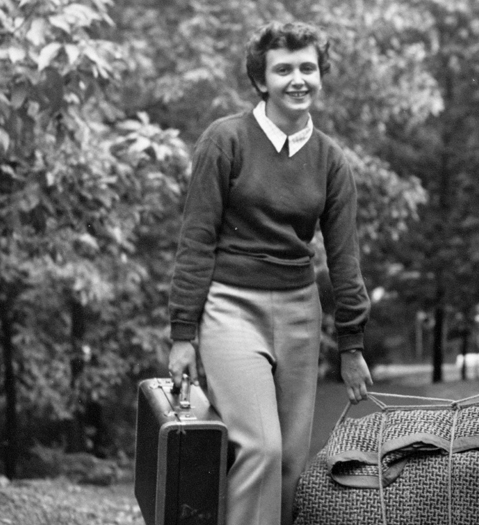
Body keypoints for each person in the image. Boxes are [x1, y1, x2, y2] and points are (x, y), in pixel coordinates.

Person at [166, 21, 372, 525]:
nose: (297, 78)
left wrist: (351, 345)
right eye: (283, 69)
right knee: (260, 448)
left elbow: (345, 258)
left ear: (321, 75)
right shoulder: (226, 140)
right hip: (231, 307)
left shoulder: (330, 160)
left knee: (290, 466)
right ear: (261, 81)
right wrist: (182, 334)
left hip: (300, 314)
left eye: (308, 67)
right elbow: (196, 240)